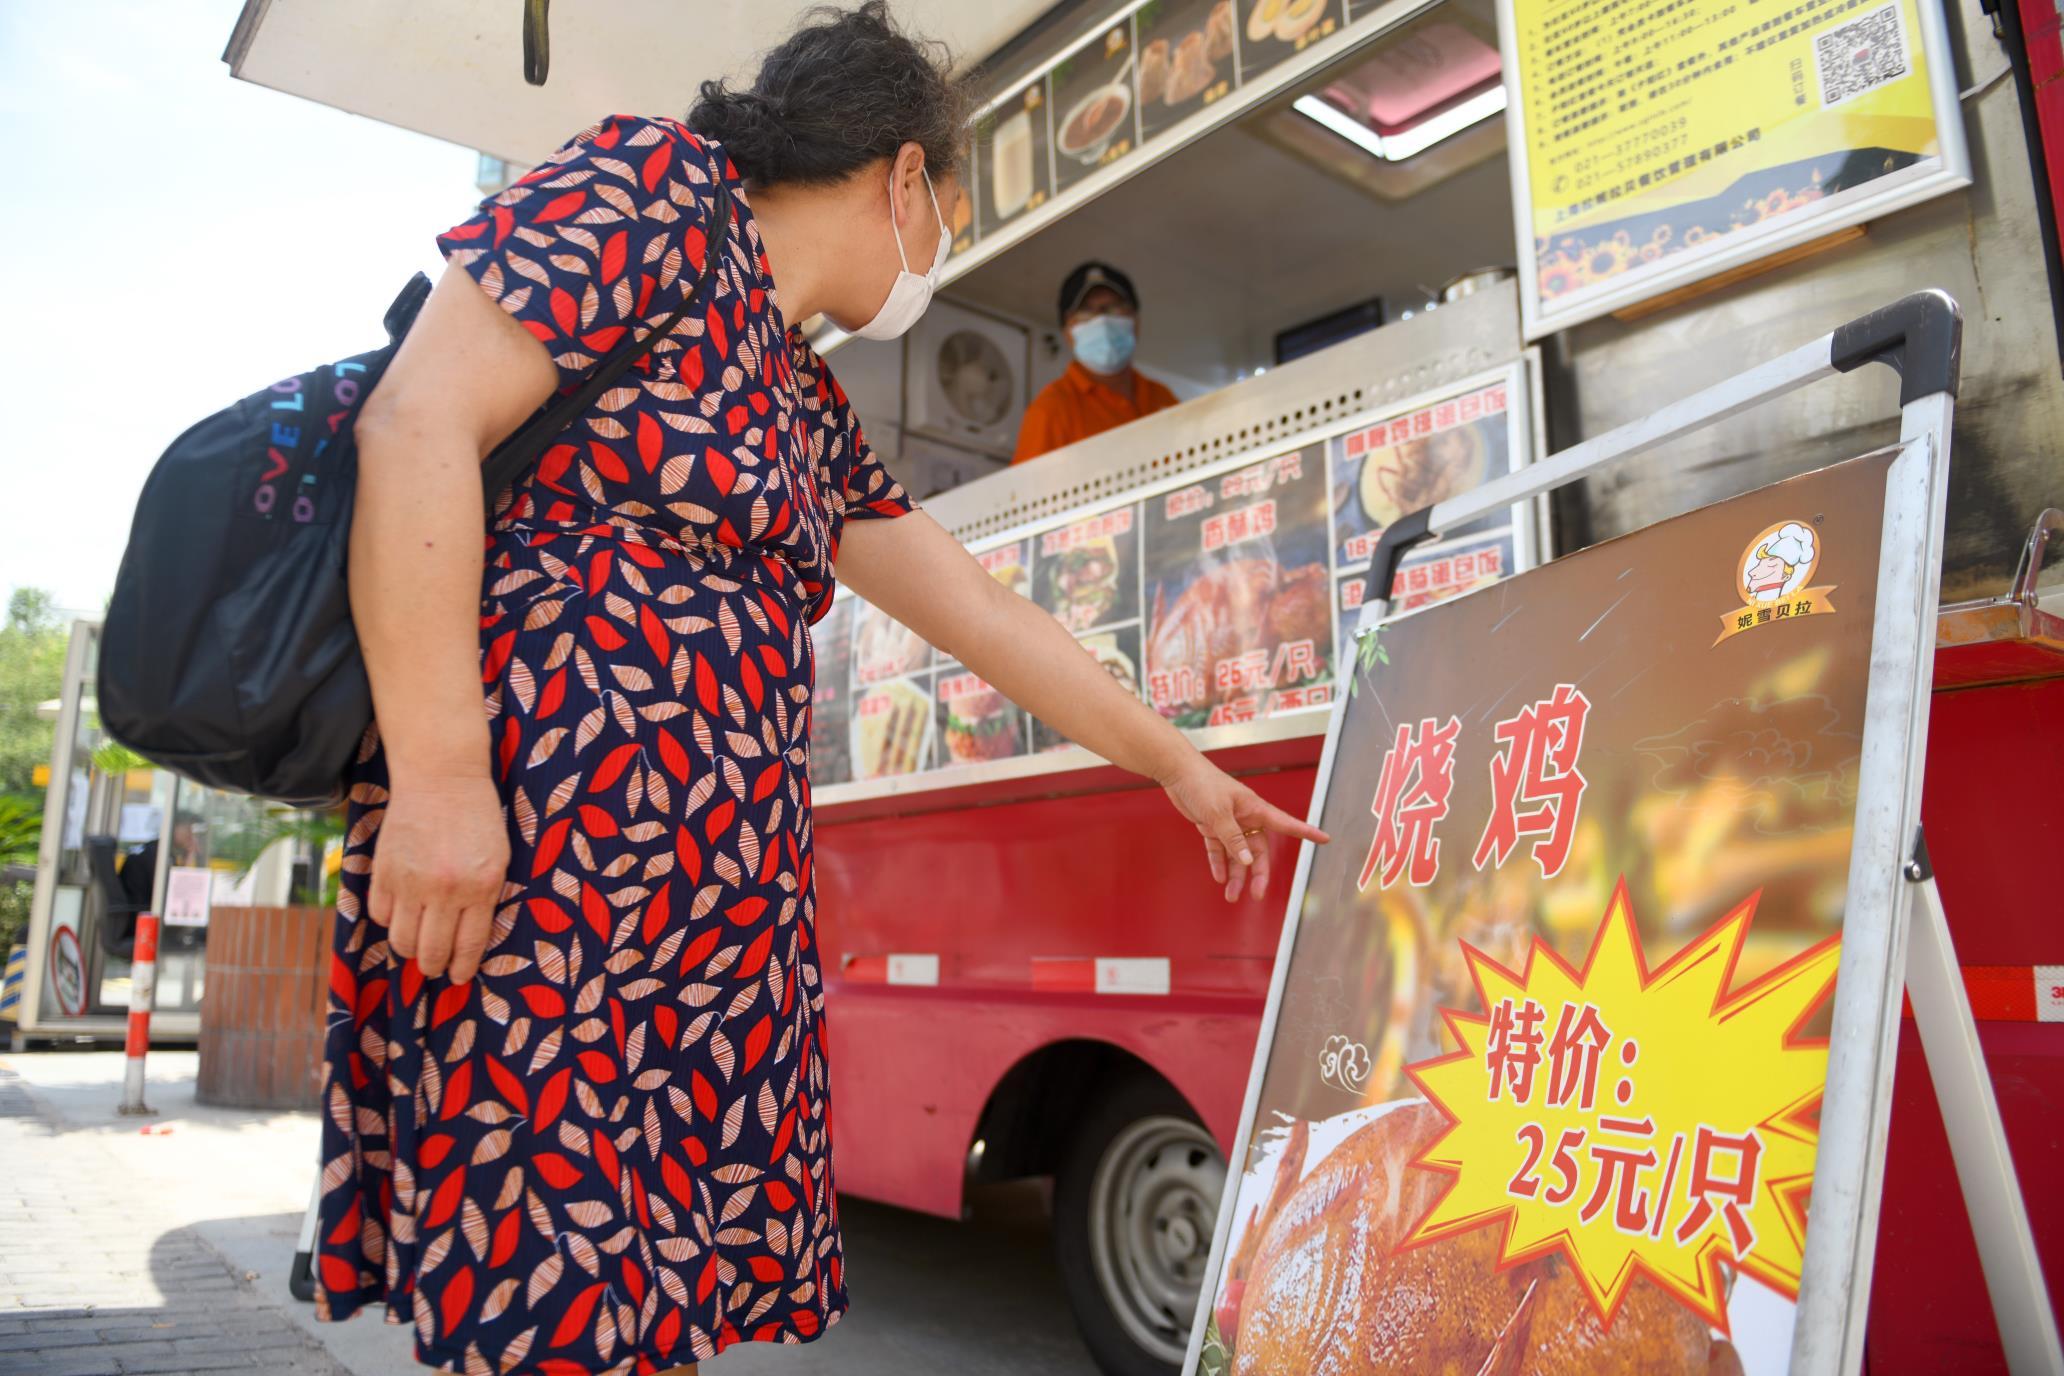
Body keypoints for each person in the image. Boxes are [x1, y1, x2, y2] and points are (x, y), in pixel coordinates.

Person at [319, 5, 1325, 1374]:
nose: (942, 253)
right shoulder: (651, 186)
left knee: (650, 1300)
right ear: (904, 179)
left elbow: (974, 608)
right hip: (554, 867)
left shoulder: (799, 393)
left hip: (713, 917)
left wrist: (1178, 762)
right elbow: (417, 419)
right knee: (551, 1285)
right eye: (951, 211)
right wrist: (441, 781)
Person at [1012, 261, 1179, 464]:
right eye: (1086, 312)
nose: (1102, 320)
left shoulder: (1163, 399)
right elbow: (1028, 492)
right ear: (1068, 331)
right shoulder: (1051, 410)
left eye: (1114, 308)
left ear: (1136, 320)